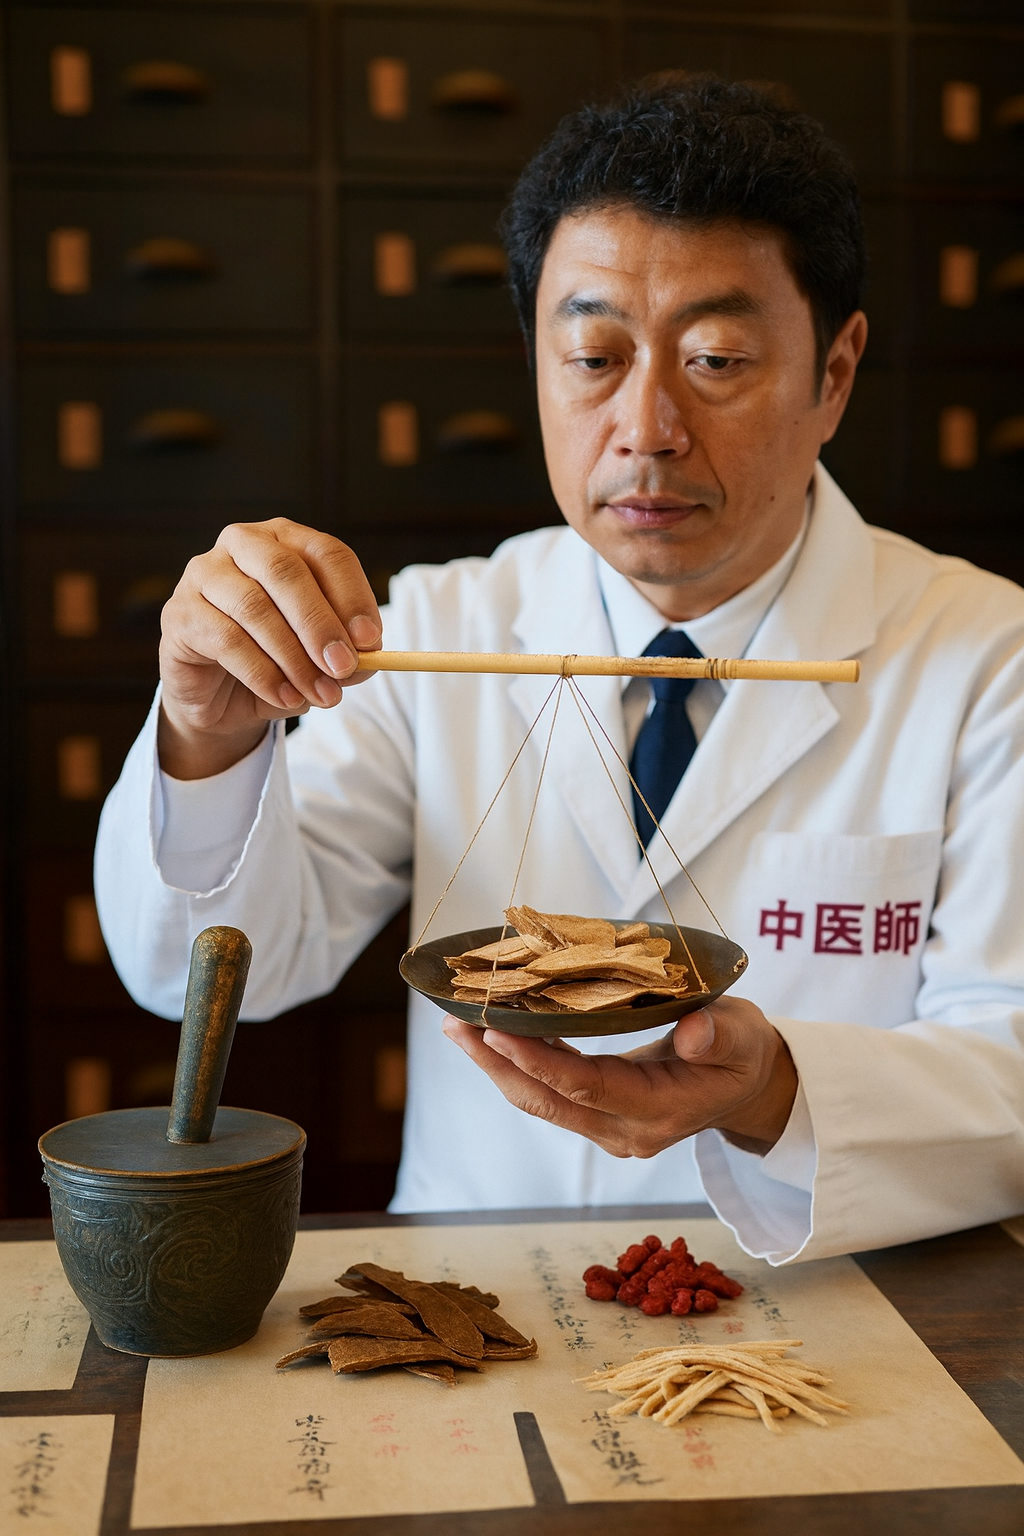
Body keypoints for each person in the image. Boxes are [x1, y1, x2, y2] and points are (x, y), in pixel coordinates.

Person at [95, 76, 1024, 1264]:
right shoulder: (439, 629)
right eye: (591, 354)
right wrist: (209, 734)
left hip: (820, 1309)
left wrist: (772, 1092)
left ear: (832, 374)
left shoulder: (984, 657)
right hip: (481, 1292)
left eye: (717, 358)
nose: (646, 428)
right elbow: (208, 972)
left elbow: (1008, 1068)